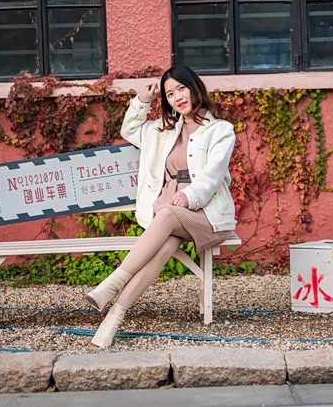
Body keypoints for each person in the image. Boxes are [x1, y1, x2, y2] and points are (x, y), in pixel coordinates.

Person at [84, 65, 237, 348]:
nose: (177, 97)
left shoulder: (220, 130)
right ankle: (114, 318)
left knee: (166, 215)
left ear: (195, 87)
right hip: (172, 215)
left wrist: (190, 196)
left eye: (181, 88)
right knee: (164, 245)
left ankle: (113, 282)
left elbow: (213, 175)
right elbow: (130, 129)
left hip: (207, 215)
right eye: (170, 94)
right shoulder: (162, 131)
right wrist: (144, 100)